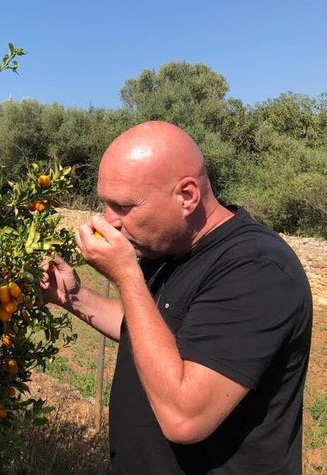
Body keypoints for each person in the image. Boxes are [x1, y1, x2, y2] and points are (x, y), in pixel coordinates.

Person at [41, 121, 312, 474]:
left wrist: (127, 276)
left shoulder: (257, 270)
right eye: (105, 203)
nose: (109, 221)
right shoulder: (168, 248)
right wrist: (72, 296)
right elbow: (148, 332)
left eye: (123, 207)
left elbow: (185, 417)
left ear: (187, 195)